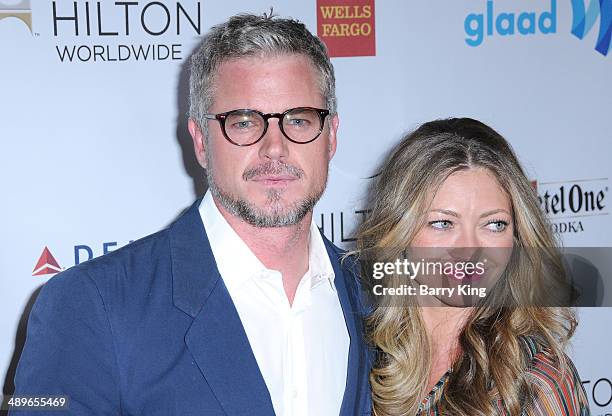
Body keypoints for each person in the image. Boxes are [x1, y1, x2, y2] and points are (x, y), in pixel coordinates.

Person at [12, 13, 371, 416]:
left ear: (332, 136)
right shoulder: (91, 305)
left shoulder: (377, 299)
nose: (275, 148)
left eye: (299, 120)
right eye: (244, 122)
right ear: (201, 141)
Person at [356, 118, 590, 415]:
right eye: (443, 223)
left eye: (494, 225)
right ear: (399, 232)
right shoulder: (361, 355)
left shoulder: (535, 380)